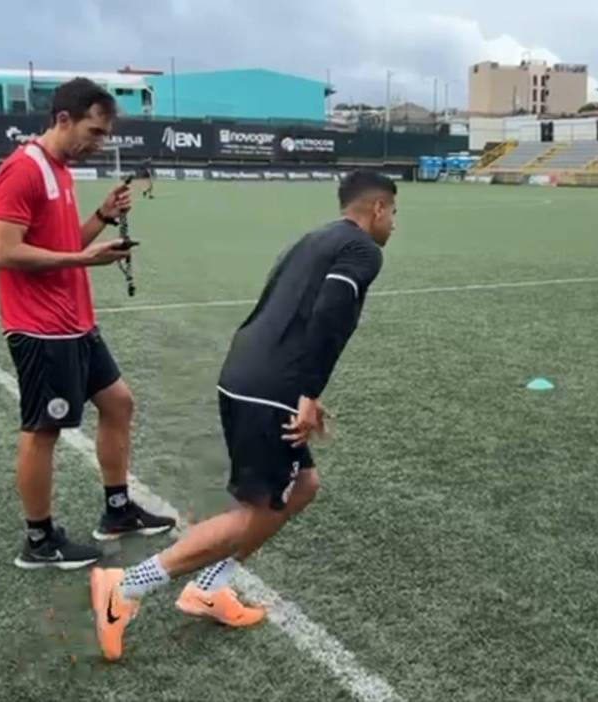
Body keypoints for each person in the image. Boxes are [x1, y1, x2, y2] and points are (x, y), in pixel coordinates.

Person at [90, 170, 397, 661]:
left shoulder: (314, 239)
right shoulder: (363, 249)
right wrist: (307, 392)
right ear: (377, 209)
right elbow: (330, 315)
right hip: (274, 385)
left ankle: (210, 586)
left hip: (246, 372)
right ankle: (125, 587)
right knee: (255, 513)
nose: (394, 225)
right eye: (394, 213)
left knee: (302, 488)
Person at [0, 77, 175, 571]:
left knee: (119, 403)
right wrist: (82, 259)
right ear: (63, 119)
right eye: (93, 132)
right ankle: (39, 539)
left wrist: (103, 217)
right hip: (40, 327)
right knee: (43, 430)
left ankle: (117, 511)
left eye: (105, 134)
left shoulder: (61, 170)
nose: (99, 143)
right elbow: (3, 252)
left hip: (76, 322)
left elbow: (65, 240)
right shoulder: (23, 170)